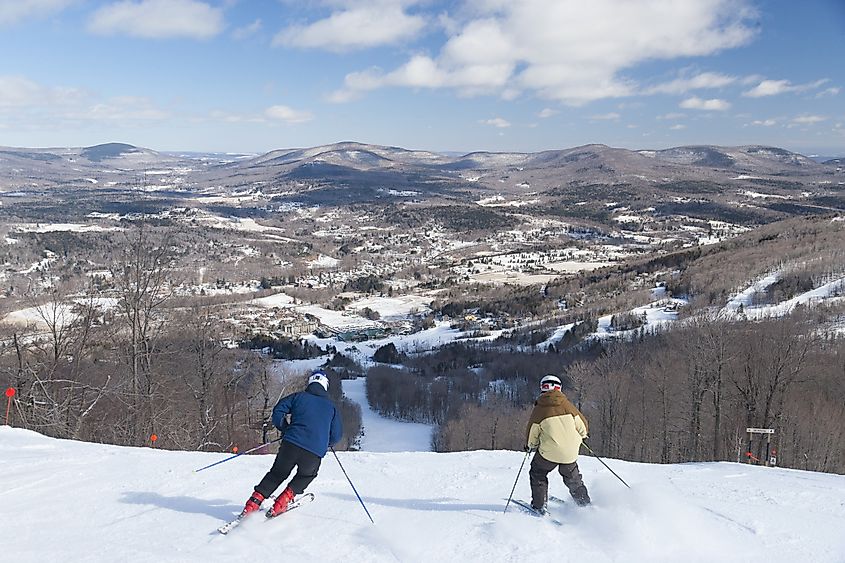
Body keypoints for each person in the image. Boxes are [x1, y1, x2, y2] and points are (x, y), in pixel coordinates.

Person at [240, 369, 343, 518]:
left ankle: (253, 504)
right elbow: (337, 435)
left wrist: (285, 428)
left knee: (277, 473)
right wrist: (323, 442)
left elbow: (278, 411)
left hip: (291, 443)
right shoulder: (331, 407)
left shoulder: (298, 397)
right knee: (306, 475)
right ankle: (282, 501)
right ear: (325, 386)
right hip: (313, 452)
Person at [525, 374, 590, 512]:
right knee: (572, 477)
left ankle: (539, 505)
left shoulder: (540, 409)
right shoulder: (568, 406)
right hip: (570, 452)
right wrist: (583, 436)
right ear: (559, 388)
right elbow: (582, 424)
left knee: (538, 473)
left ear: (542, 388)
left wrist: (530, 446)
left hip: (548, 453)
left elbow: (533, 432)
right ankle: (584, 504)